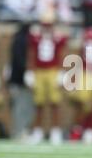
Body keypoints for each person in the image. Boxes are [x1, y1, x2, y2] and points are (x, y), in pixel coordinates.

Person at [25, 15, 68, 145]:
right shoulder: (35, 37)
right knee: (39, 104)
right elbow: (31, 54)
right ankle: (38, 131)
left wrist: (61, 71)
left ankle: (55, 132)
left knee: (55, 103)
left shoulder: (58, 37)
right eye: (45, 24)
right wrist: (30, 71)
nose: (47, 27)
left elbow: (61, 54)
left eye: (49, 24)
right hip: (39, 71)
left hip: (53, 71)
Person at [8, 22, 34, 140]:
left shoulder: (16, 40)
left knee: (18, 107)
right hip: (20, 81)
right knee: (21, 107)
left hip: (16, 80)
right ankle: (20, 131)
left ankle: (19, 130)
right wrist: (26, 74)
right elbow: (20, 61)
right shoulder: (22, 41)